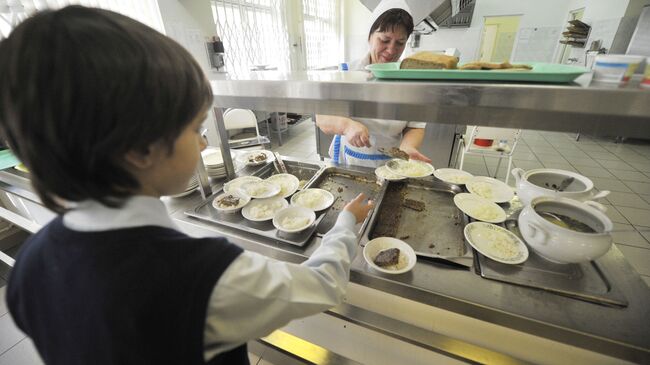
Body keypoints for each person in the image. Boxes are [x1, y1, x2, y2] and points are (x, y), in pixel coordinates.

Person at [0, 6, 374, 365]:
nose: (203, 143)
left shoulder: (28, 266)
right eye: (195, 128)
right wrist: (344, 225)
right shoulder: (205, 279)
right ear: (141, 149)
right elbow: (322, 284)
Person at [316, 0, 432, 168]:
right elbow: (322, 117)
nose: (391, 50)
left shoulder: (410, 80)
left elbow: (415, 126)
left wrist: (408, 146)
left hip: (391, 163)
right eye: (385, 40)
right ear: (370, 37)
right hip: (349, 161)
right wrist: (347, 126)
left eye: (400, 43)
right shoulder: (346, 72)